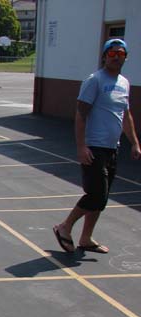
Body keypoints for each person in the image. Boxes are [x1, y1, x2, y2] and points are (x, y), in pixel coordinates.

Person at [53, 39, 140, 254]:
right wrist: (81, 147)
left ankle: (86, 238)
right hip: (94, 147)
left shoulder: (124, 83)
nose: (116, 57)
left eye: (121, 54)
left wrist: (135, 143)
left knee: (102, 197)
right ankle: (65, 227)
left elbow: (126, 115)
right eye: (112, 53)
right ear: (104, 56)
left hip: (112, 148)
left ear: (126, 57)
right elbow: (81, 114)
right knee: (97, 195)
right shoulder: (95, 80)